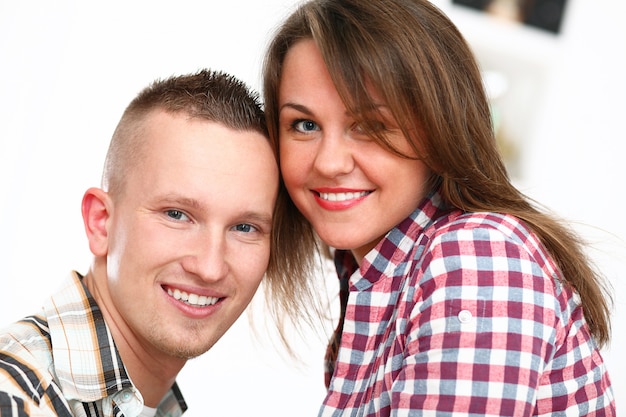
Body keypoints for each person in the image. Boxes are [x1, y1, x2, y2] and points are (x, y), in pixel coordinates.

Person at [262, 0, 616, 415]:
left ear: (438, 128)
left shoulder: (476, 258)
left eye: (370, 126)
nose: (329, 162)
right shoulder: (374, 279)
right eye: (304, 125)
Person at [0, 68, 304, 417]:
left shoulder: (143, 404)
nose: (209, 267)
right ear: (101, 222)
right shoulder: (17, 400)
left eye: (245, 228)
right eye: (176, 215)